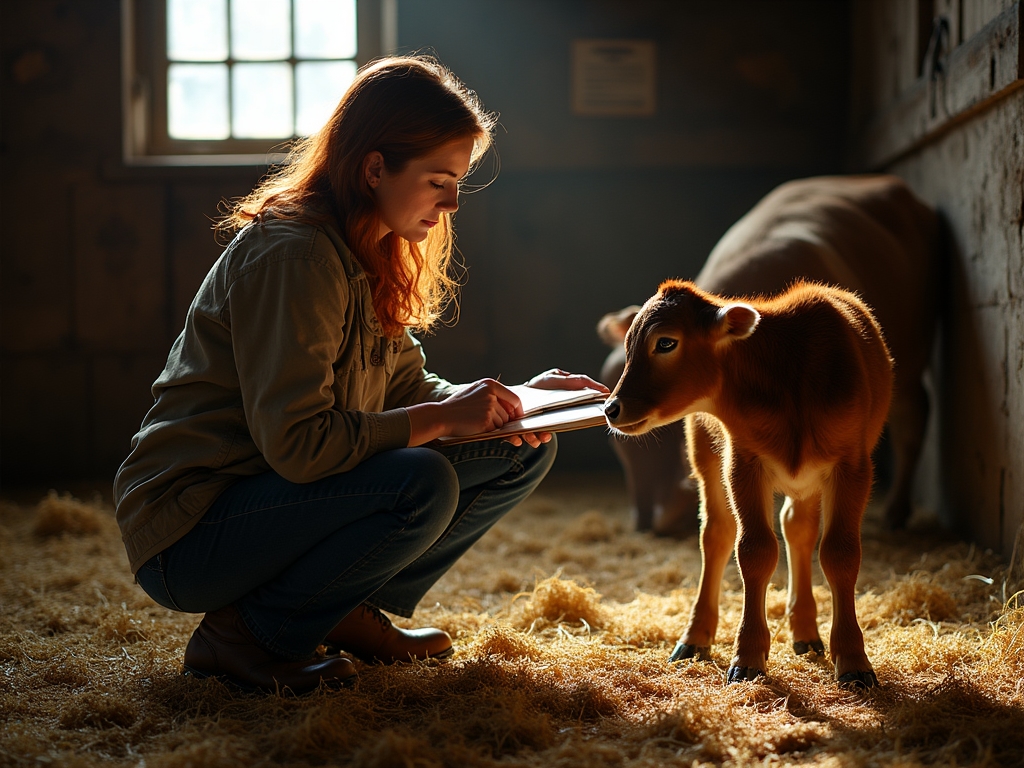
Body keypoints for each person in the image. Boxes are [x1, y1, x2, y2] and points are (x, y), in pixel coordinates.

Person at [113, 55, 606, 694]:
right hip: (195, 531)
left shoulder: (366, 248)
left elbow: (410, 393)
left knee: (515, 452)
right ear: (375, 167)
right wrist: (443, 418)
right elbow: (299, 445)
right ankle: (248, 634)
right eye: (438, 180)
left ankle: (335, 606)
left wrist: (519, 400)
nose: (453, 201)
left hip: (271, 500)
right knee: (419, 480)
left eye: (457, 181)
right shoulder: (298, 256)